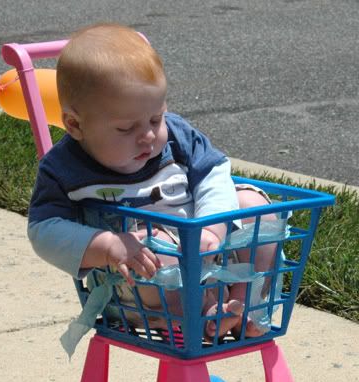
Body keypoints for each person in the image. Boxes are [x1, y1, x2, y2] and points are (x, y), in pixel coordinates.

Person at [28, 23, 276, 341]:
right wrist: (107, 245)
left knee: (255, 206)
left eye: (156, 119)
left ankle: (243, 302)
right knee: (151, 244)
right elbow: (44, 231)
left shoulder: (177, 136)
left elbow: (214, 173)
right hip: (137, 291)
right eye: (126, 128)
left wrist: (211, 228)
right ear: (76, 125)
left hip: (209, 256)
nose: (147, 135)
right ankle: (203, 315)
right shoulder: (64, 169)